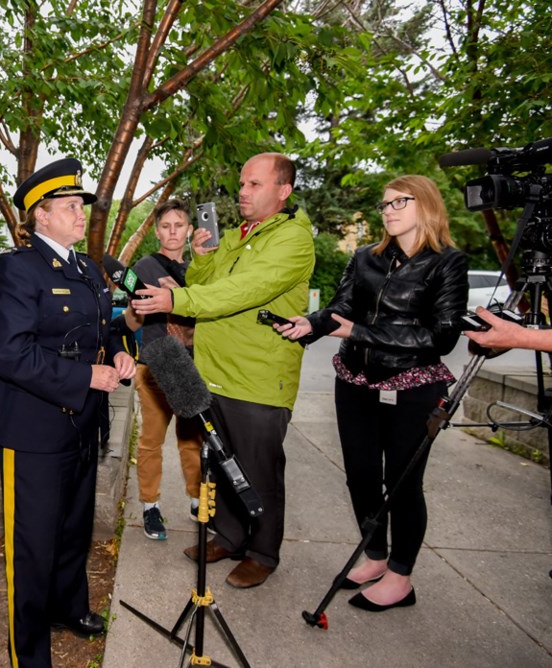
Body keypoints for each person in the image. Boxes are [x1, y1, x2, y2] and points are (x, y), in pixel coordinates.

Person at [0, 157, 136, 668]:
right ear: (40, 215)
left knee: (72, 528)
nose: (79, 213)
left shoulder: (85, 267)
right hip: (35, 426)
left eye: (79, 205)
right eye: (68, 206)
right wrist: (87, 376)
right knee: (34, 544)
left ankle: (70, 608)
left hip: (84, 421)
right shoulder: (16, 268)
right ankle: (29, 653)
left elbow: (100, 330)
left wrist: (120, 348)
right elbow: (14, 355)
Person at [279, 175, 469, 612]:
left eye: (398, 202)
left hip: (414, 387)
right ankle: (376, 557)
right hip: (356, 382)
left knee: (403, 484)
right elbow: (342, 308)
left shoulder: (448, 263)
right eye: (384, 204)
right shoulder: (365, 257)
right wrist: (312, 323)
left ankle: (401, 577)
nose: (388, 210)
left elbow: (441, 336)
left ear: (426, 205)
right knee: (361, 476)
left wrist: (360, 330)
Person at [133, 152, 314, 588]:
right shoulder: (237, 234)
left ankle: (262, 553)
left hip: (258, 376)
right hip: (216, 373)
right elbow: (209, 282)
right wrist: (201, 257)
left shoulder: (292, 239)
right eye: (242, 183)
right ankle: (230, 535)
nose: (243, 192)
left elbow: (242, 291)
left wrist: (175, 301)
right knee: (223, 463)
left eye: (254, 184)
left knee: (259, 471)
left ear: (283, 191)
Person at [128, 199, 203, 541]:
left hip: (192, 365)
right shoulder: (146, 265)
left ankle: (196, 500)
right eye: (166, 225)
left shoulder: (202, 267)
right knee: (151, 441)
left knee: (192, 441)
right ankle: (150, 506)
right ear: (157, 230)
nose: (172, 231)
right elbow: (141, 313)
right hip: (157, 365)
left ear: (189, 230)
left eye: (179, 225)